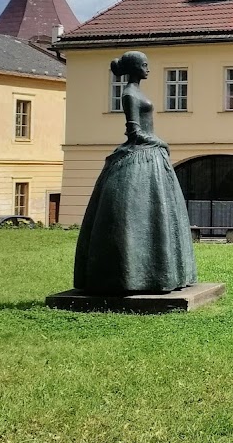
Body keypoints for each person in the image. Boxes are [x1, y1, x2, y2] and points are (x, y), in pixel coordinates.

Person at [73, 51, 197, 293]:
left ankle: (166, 271)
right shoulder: (129, 94)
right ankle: (137, 273)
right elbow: (134, 132)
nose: (148, 69)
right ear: (133, 68)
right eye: (144, 65)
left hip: (151, 154)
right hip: (143, 153)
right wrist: (160, 143)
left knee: (161, 214)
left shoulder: (137, 92)